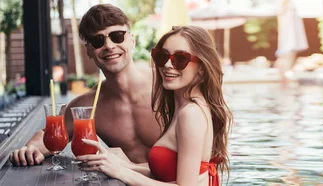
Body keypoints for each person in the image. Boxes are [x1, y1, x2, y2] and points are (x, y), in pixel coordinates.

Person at [76, 26, 232, 186]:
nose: (168, 65)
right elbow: (170, 173)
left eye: (180, 59)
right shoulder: (187, 106)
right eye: (162, 56)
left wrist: (121, 172)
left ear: (201, 68)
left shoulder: (191, 113)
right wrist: (123, 165)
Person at [9, 4, 161, 166]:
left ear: (132, 40)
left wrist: (131, 168)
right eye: (98, 41)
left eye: (117, 36)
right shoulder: (88, 105)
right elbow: (51, 135)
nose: (109, 46)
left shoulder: (165, 87)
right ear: (88, 50)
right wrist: (30, 149)